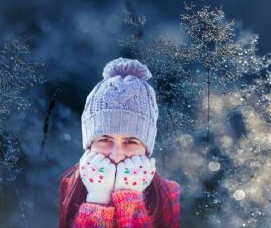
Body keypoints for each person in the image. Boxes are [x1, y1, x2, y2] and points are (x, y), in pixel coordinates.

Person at [58, 57, 180, 228]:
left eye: (131, 141)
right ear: (89, 144)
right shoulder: (69, 188)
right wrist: (97, 198)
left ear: (146, 148)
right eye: (105, 140)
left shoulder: (168, 194)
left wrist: (129, 199)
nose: (117, 154)